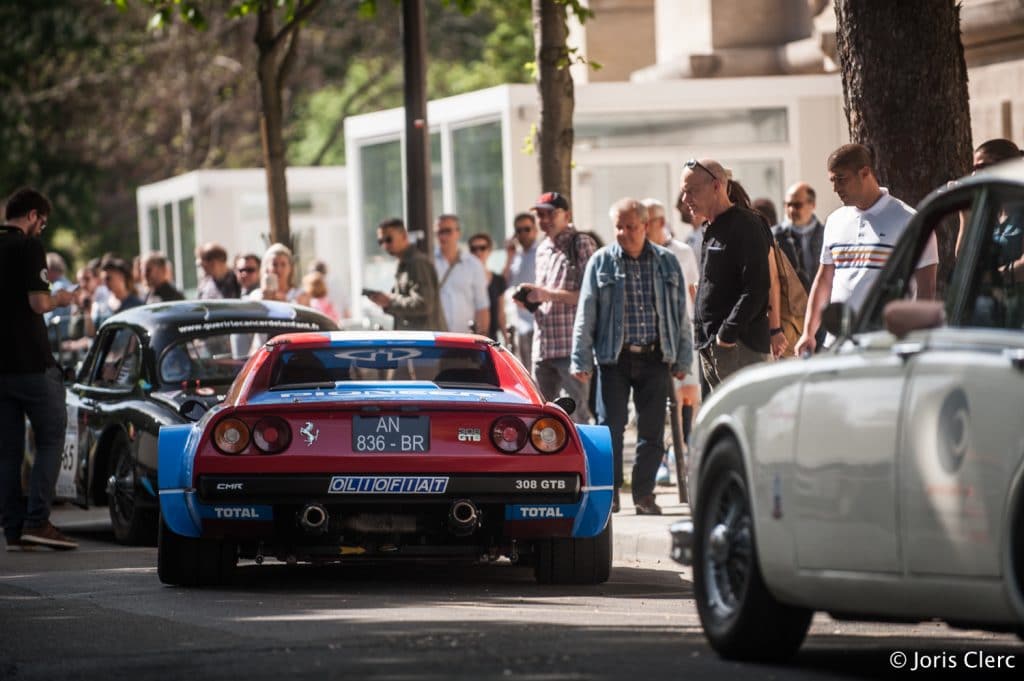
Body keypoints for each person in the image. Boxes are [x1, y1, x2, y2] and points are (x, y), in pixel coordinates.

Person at [572, 198, 692, 515]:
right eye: (619, 227)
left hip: (656, 357)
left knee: (652, 430)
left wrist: (683, 359)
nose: (625, 233)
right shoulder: (601, 262)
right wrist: (581, 359)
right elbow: (586, 313)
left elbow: (681, 314)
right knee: (610, 428)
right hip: (614, 358)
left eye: (631, 227)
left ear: (645, 226)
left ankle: (644, 494)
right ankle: (610, 494)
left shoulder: (666, 261)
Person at [796, 143, 939, 355]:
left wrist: (913, 339)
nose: (835, 188)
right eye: (832, 181)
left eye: (841, 179)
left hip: (887, 344)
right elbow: (824, 280)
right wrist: (808, 333)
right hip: (837, 342)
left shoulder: (909, 221)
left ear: (865, 172)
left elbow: (926, 288)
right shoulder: (835, 220)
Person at [0, 187, 78, 550]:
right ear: (32, 216)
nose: (41, 230)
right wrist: (63, 297)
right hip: (31, 362)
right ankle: (38, 521)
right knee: (51, 436)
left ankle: (13, 528)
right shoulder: (28, 246)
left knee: (7, 451)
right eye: (42, 223)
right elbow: (38, 302)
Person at [681, 159, 772, 392]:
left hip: (740, 348)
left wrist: (727, 334)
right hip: (713, 346)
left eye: (692, 191)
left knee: (748, 419)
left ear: (716, 186)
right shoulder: (710, 227)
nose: (685, 200)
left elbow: (757, 287)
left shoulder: (747, 225)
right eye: (684, 192)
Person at [519, 192, 595, 424]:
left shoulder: (581, 243)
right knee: (540, 417)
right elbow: (547, 296)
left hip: (572, 347)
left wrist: (546, 294)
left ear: (567, 215)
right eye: (540, 215)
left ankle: (583, 461)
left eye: (550, 214)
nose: (544, 220)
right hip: (543, 347)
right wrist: (530, 299)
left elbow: (590, 296)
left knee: (577, 416)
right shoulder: (543, 249)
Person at [642, 198, 700, 463]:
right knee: (669, 399)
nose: (642, 228)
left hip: (684, 334)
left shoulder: (682, 252)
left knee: (690, 394)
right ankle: (673, 453)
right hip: (655, 338)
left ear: (661, 223)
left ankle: (694, 448)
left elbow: (693, 291)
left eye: (647, 222)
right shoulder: (638, 254)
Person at [367, 218, 446, 331]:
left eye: (388, 239)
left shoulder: (417, 263)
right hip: (417, 340)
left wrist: (389, 301)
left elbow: (424, 304)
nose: (385, 245)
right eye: (381, 241)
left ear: (404, 236)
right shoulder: (404, 263)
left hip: (424, 342)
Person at [955, 138, 1024, 256]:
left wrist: (991, 274)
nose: (974, 175)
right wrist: (965, 216)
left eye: (982, 167)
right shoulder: (989, 213)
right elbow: (963, 259)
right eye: (974, 169)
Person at [433, 214, 489, 335]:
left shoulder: (473, 264)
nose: (442, 236)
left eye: (447, 231)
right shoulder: (428, 263)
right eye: (439, 232)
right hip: (435, 337)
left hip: (464, 339)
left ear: (458, 233)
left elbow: (482, 305)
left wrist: (481, 338)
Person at [503, 212, 539, 368]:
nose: (523, 234)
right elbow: (504, 283)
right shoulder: (515, 257)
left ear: (535, 230)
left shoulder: (541, 252)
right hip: (519, 322)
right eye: (519, 231)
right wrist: (509, 256)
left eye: (527, 229)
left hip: (536, 320)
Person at [467, 232, 507, 342]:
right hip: (469, 336)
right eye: (474, 249)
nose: (478, 252)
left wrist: (507, 340)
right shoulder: (465, 280)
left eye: (482, 248)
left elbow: (501, 314)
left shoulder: (498, 280)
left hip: (491, 339)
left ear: (489, 251)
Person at [43, 252, 73, 349]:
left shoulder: (58, 288)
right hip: (64, 338)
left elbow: (50, 318)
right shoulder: (68, 284)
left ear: (50, 269)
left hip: (56, 341)